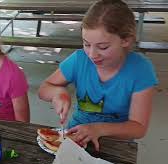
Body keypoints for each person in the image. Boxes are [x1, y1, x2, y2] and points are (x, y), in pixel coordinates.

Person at [38, 0, 158, 150]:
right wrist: (58, 93)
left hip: (116, 142)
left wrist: (98, 129)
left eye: (103, 47)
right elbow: (44, 88)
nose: (92, 54)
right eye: (86, 44)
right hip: (76, 135)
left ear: (126, 40)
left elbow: (138, 127)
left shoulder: (140, 69)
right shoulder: (79, 60)